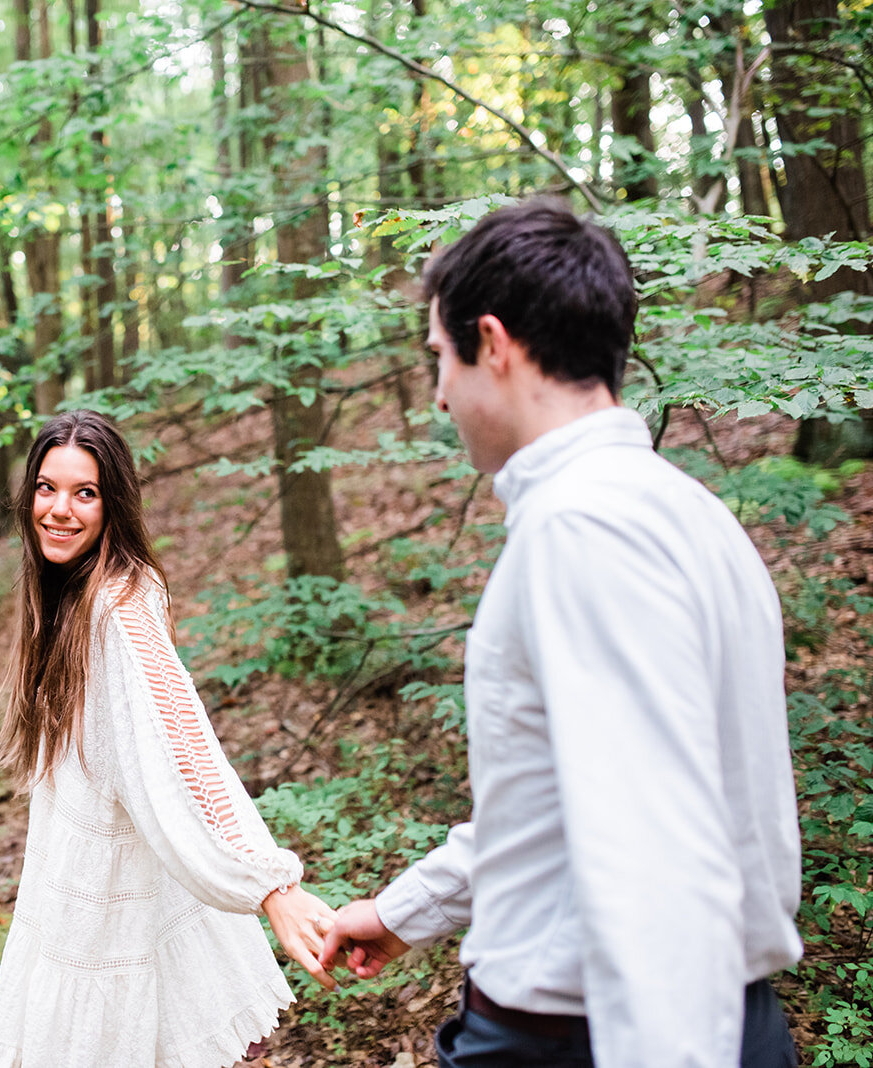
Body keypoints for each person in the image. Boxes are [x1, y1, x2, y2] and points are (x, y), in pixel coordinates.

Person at [318, 199, 803, 1067]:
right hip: (710, 1021)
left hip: (596, 1038)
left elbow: (657, 859)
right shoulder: (687, 512)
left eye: (440, 356)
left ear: (494, 345)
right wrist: (403, 912)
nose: (437, 392)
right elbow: (569, 805)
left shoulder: (583, 532)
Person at [0, 409, 335, 1068]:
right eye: (47, 488)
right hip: (85, 890)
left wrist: (269, 886)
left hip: (124, 906)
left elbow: (185, 752)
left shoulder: (120, 611)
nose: (59, 510)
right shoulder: (61, 595)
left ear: (113, 504)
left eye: (84, 493)